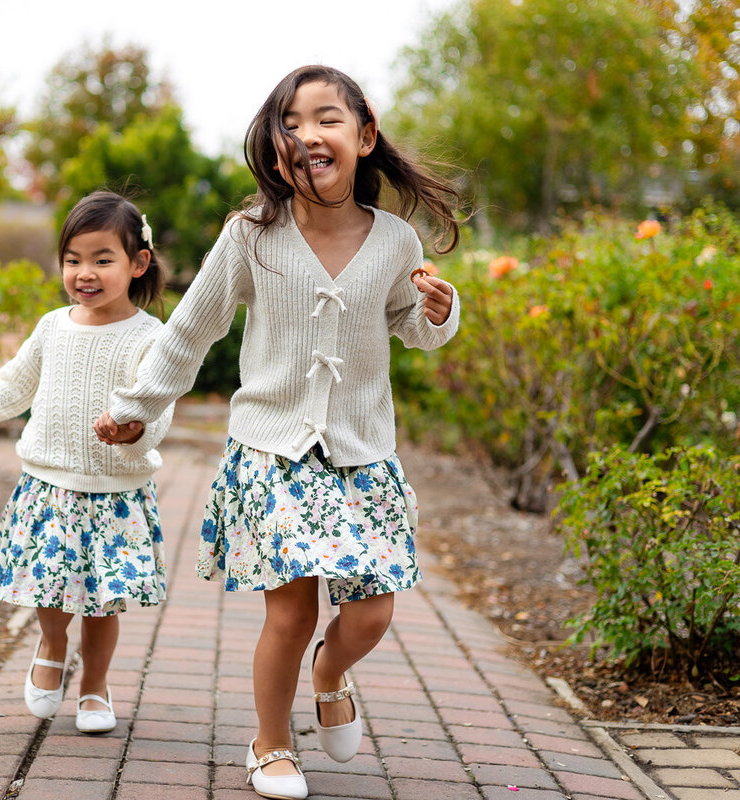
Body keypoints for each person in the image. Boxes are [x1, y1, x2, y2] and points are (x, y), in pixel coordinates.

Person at [94, 65, 462, 798]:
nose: (306, 134)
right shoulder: (252, 236)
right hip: (273, 450)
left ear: (364, 136)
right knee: (291, 609)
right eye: (289, 122)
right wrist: (137, 404)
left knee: (374, 609)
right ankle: (270, 744)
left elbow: (410, 331)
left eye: (326, 117)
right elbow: (188, 335)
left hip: (362, 453)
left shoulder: (395, 241)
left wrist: (439, 310)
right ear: (274, 143)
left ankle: (331, 672)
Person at [0, 191, 172, 734]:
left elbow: (157, 405)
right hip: (50, 486)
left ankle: (95, 686)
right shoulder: (53, 327)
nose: (86, 272)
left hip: (116, 493)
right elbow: (9, 388)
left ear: (138, 263)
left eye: (103, 259)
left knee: (103, 602)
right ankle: (52, 646)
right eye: (73, 259)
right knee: (51, 588)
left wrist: (132, 430)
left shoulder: (151, 338)